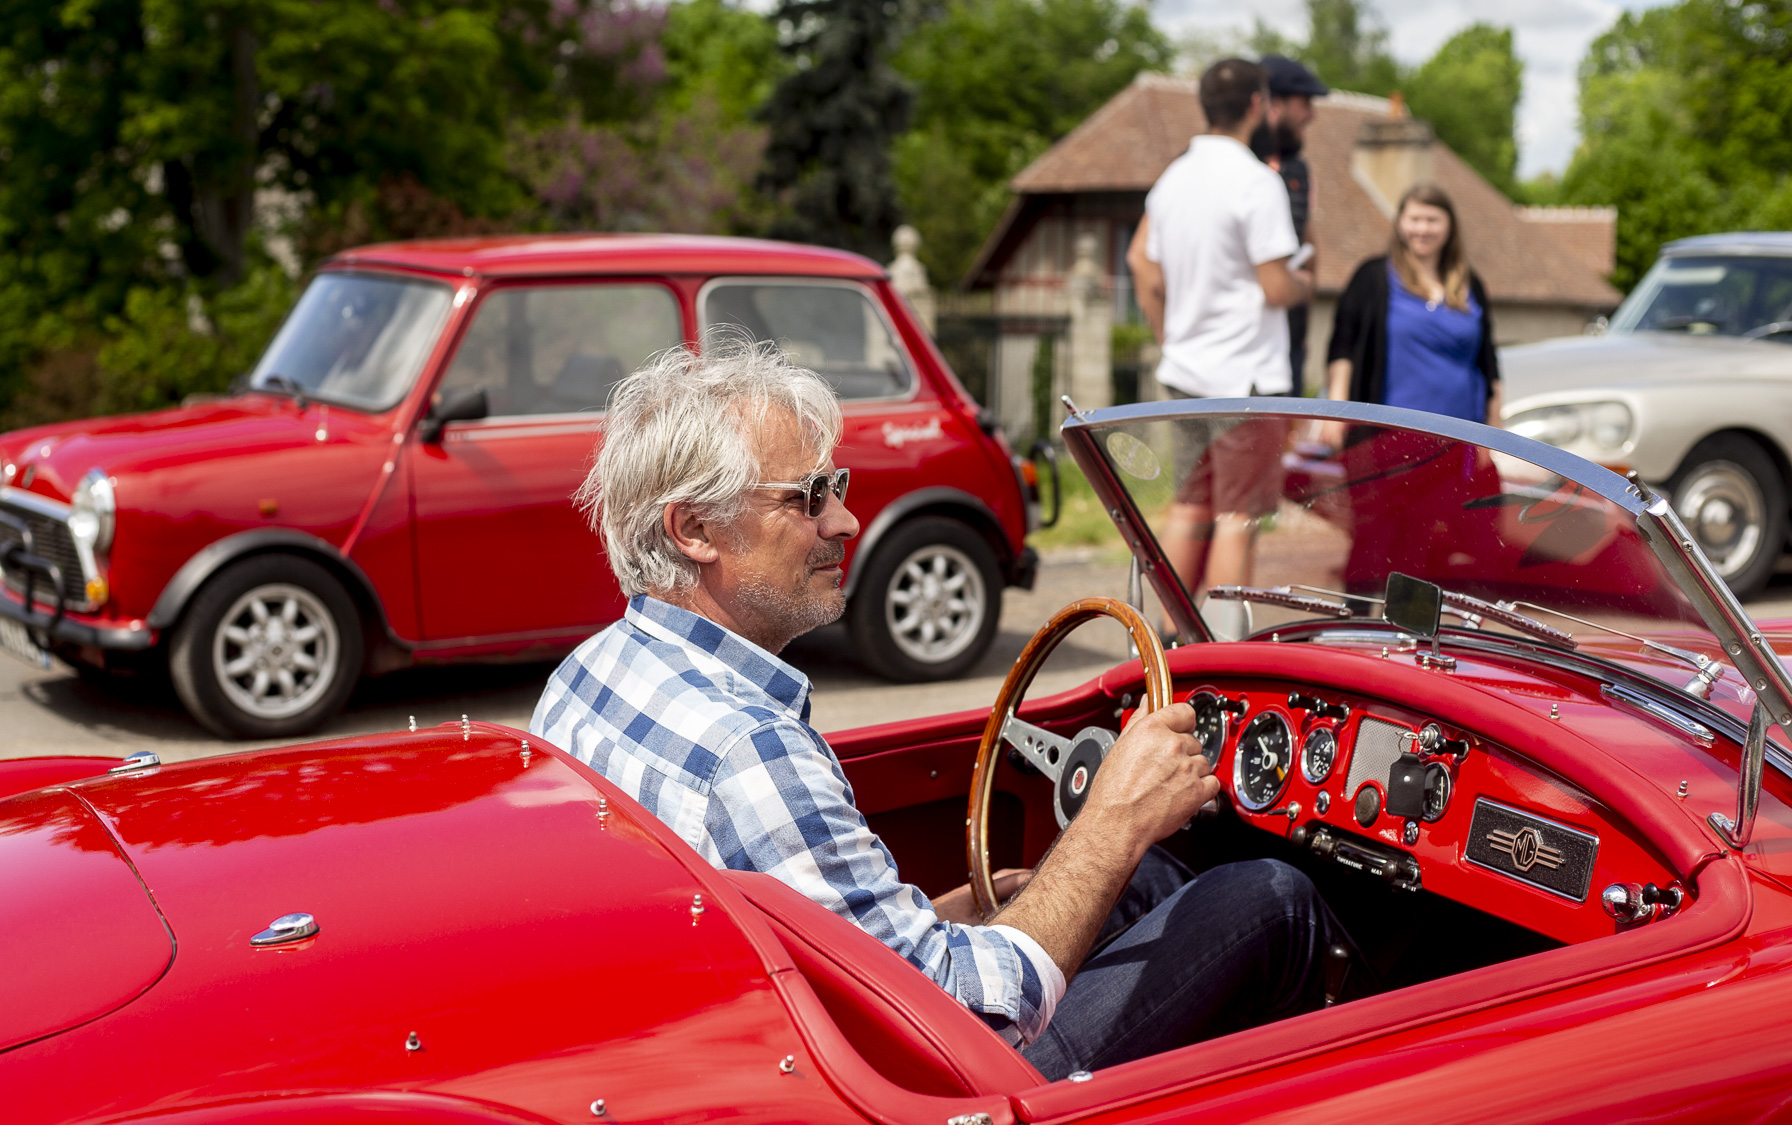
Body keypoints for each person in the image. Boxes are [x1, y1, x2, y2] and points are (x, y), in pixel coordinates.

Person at [532, 336, 1353, 1080]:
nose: (845, 520)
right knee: (1269, 898)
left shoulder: (589, 674)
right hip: (930, 1081)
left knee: (1138, 884)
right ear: (695, 529)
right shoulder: (750, 750)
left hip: (759, 1037)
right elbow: (971, 1025)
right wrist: (1115, 818)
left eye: (838, 486)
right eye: (809, 496)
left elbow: (817, 936)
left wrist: (952, 911)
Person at [1126, 57, 1312, 607]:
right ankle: (1224, 652)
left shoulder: (1171, 180)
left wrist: (1168, 336)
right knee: (1239, 515)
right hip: (1244, 377)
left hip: (1185, 373)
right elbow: (1276, 287)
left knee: (1191, 506)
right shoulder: (1257, 182)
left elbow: (1142, 265)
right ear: (1258, 104)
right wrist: (1307, 281)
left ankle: (1161, 641)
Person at [1325, 182, 1501, 426]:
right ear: (1400, 223)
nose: (1422, 228)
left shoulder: (1471, 284)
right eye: (1414, 219)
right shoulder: (1373, 277)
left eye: (1432, 220)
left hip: (1462, 432)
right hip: (1387, 432)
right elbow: (1343, 347)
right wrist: (1336, 412)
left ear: (1450, 226)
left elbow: (1488, 364)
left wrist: (1493, 429)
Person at [1252, 55, 1329, 396]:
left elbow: (1308, 240)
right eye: (1305, 103)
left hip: (1288, 349)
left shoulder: (1299, 170)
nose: (1311, 114)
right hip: (1241, 351)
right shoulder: (1237, 168)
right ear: (1275, 103)